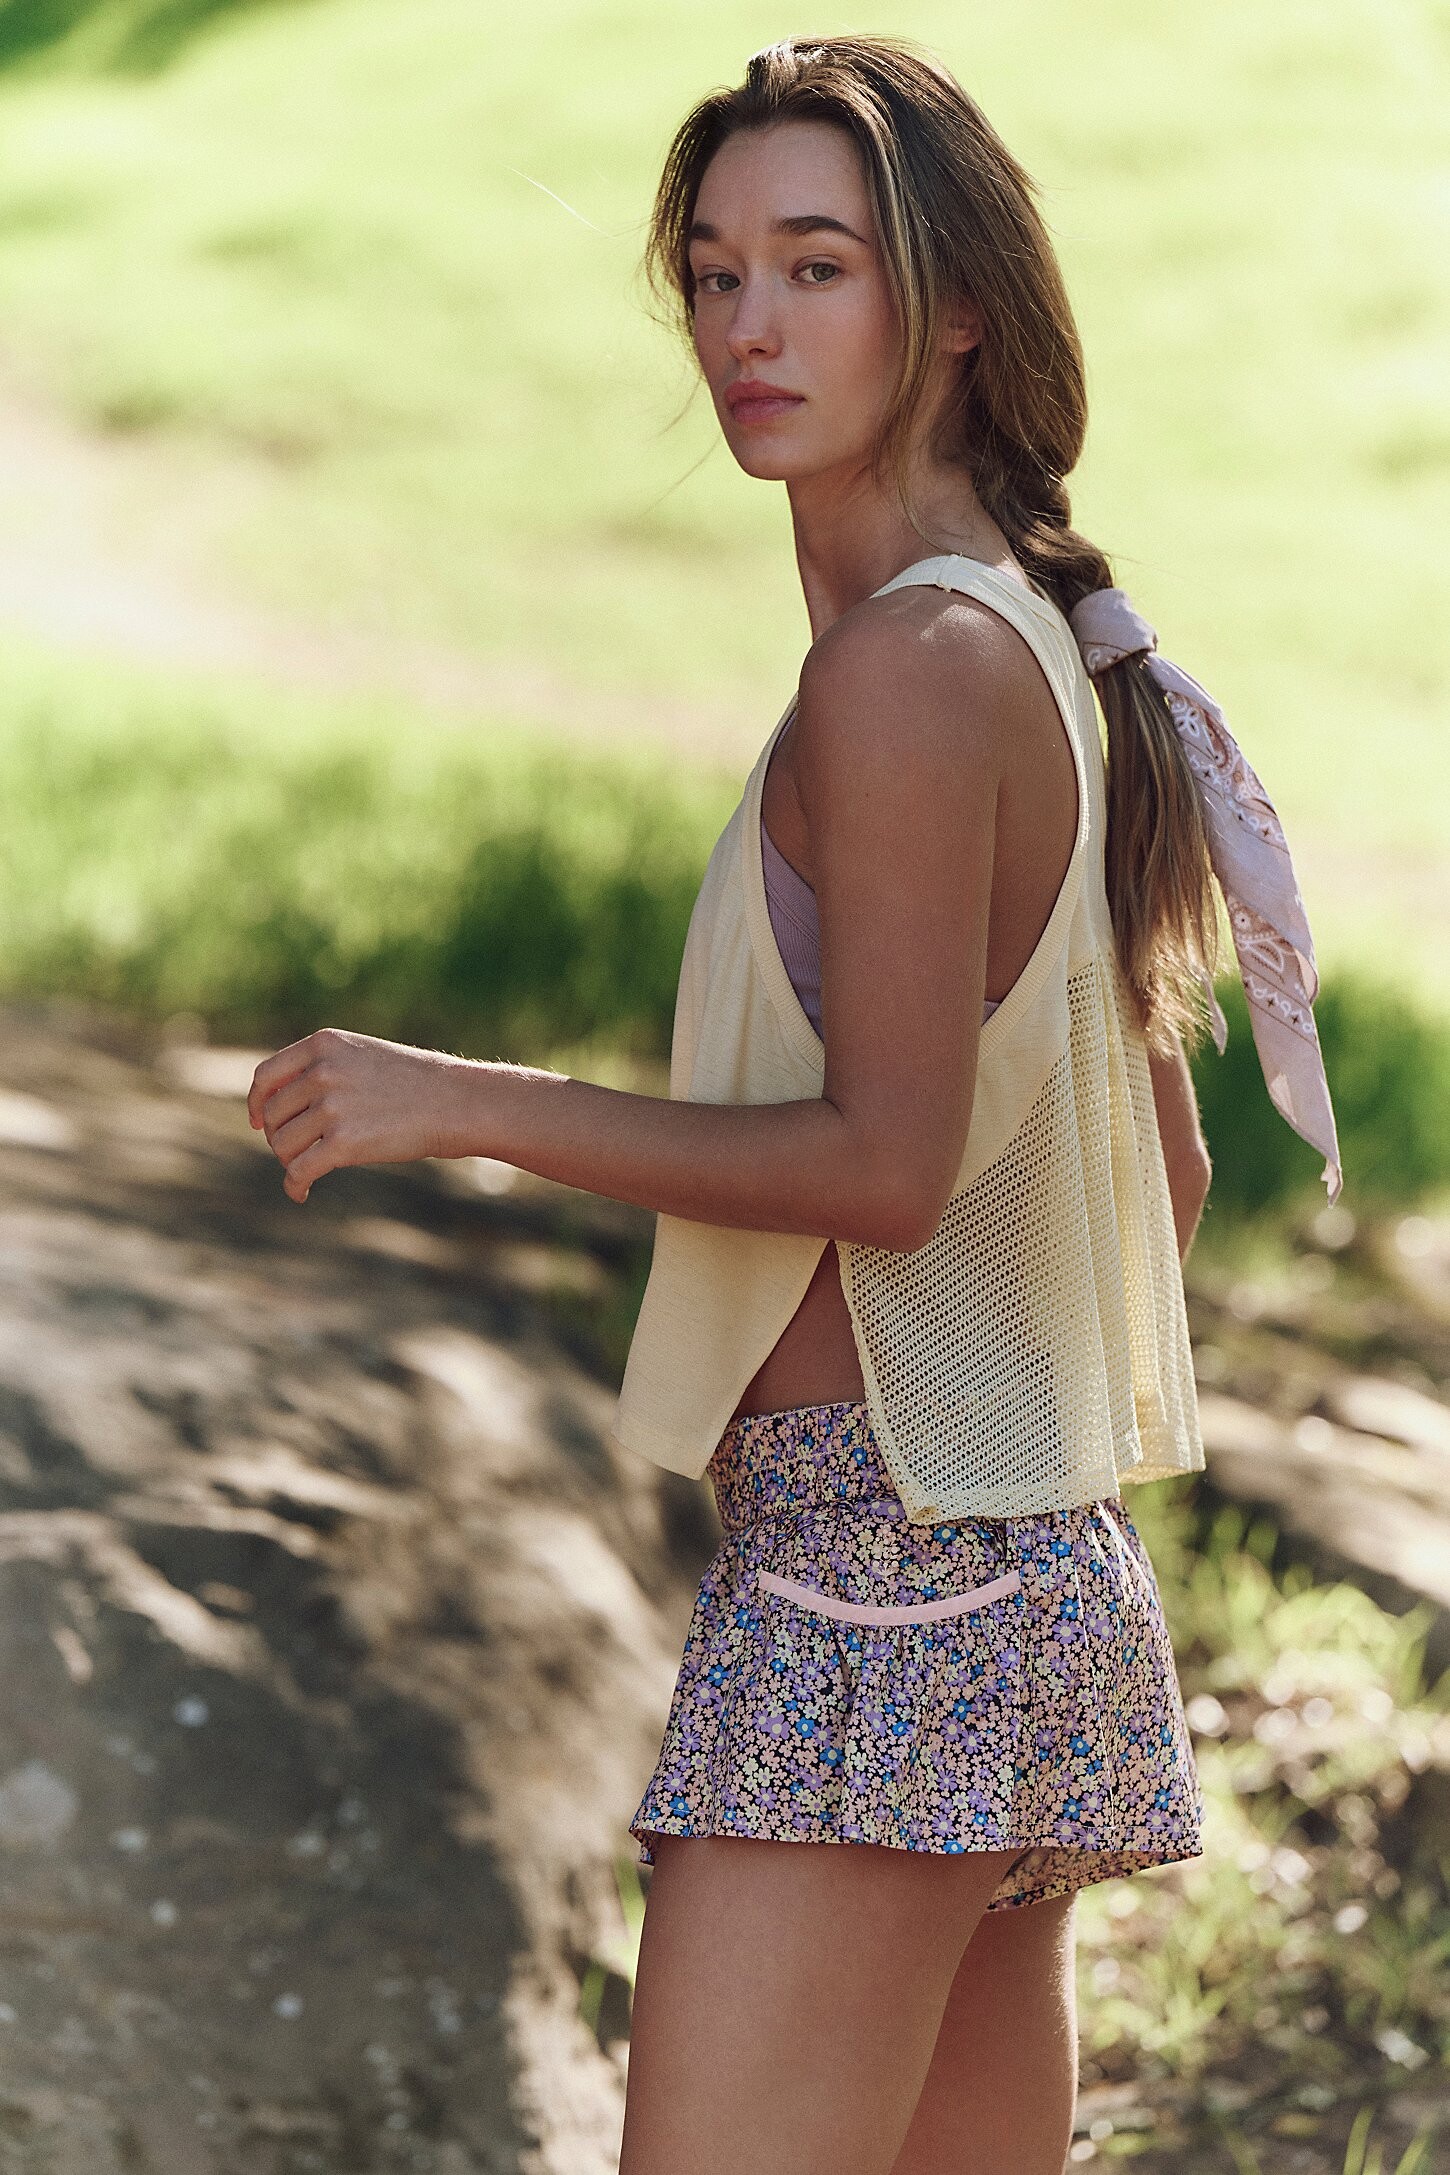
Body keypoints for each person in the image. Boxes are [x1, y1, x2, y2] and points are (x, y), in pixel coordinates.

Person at [248, 34, 1341, 2175]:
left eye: (815, 268)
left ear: (955, 308)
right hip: (1012, 1569)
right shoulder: (1032, 642)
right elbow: (1167, 1162)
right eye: (714, 271)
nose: (748, 324)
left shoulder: (909, 673)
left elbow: (884, 1167)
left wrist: (457, 1099)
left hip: (878, 1595)